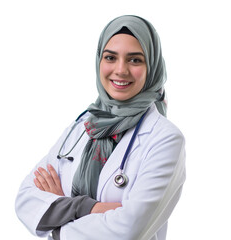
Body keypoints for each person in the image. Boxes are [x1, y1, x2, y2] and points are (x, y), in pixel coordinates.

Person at [15, 15, 186, 240]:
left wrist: (57, 225)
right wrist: (86, 208)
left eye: (135, 60)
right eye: (110, 57)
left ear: (152, 66)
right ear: (99, 61)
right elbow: (26, 199)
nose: (121, 70)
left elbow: (127, 230)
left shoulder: (165, 139)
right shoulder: (83, 125)